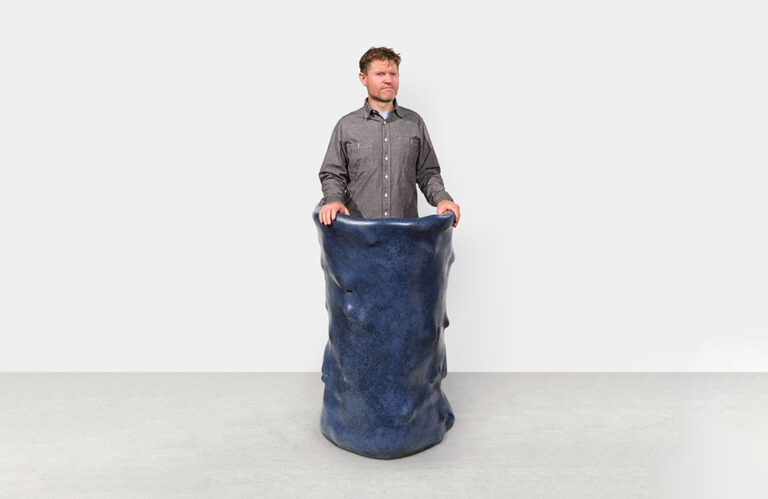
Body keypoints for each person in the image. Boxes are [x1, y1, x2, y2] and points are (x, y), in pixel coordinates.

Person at [317, 47, 461, 227]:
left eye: (393, 73)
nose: (388, 79)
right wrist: (333, 200)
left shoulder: (414, 122)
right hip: (357, 235)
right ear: (363, 78)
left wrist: (442, 199)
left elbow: (428, 173)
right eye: (380, 73)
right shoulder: (346, 126)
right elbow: (332, 174)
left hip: (404, 237)